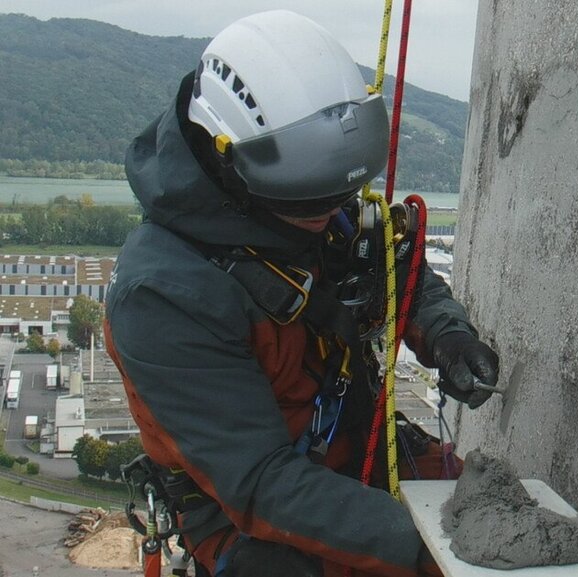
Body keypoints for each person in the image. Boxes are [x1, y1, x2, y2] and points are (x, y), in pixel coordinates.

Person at [104, 10, 499, 577]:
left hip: (352, 439)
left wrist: (447, 335)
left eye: (336, 195)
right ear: (227, 160)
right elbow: (260, 484)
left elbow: (389, 264)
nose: (326, 216)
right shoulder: (164, 295)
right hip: (252, 509)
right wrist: (424, 543)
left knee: (492, 515)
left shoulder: (300, 182)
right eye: (308, 201)